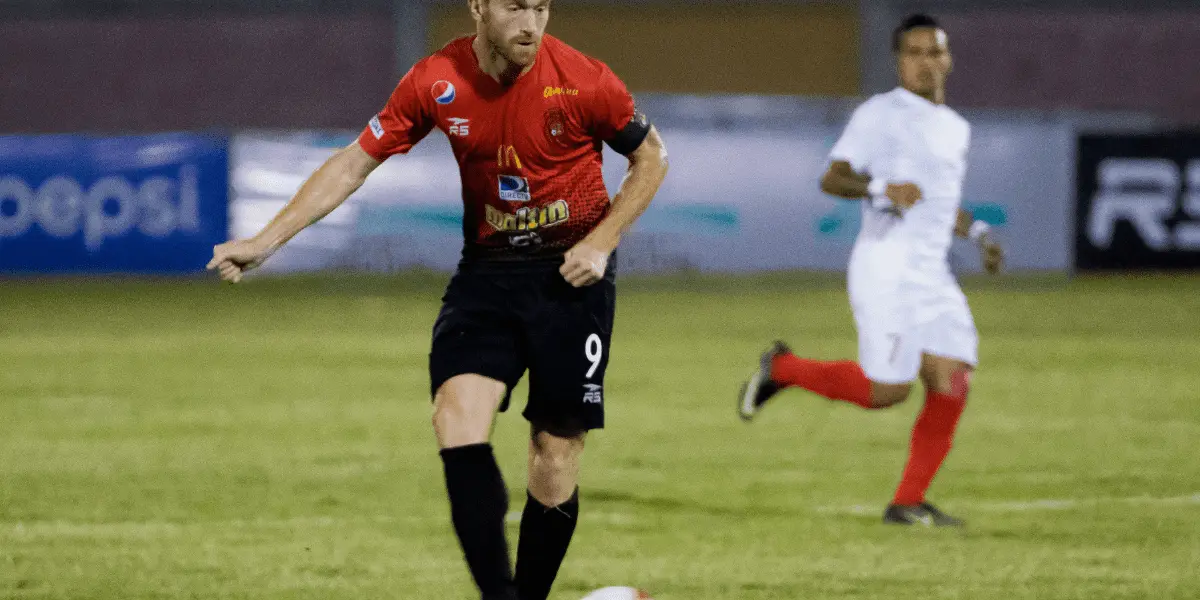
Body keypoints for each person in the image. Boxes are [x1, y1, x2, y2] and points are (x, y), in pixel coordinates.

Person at [207, 0, 669, 596]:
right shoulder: (435, 80)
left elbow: (651, 156)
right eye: (514, 7)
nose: (531, 24)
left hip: (571, 279)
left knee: (553, 454)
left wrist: (601, 243)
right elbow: (355, 162)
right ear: (478, 6)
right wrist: (266, 240)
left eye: (542, 7)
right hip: (489, 275)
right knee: (456, 417)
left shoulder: (584, 79)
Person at [737, 13, 1003, 527]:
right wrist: (882, 189)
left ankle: (906, 503)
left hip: (932, 272)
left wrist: (979, 234)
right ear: (898, 61)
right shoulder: (882, 114)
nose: (926, 63)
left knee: (951, 379)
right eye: (914, 53)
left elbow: (938, 203)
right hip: (888, 267)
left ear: (948, 59)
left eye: (935, 52)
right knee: (889, 391)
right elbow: (833, 179)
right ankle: (784, 369)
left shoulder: (955, 128)